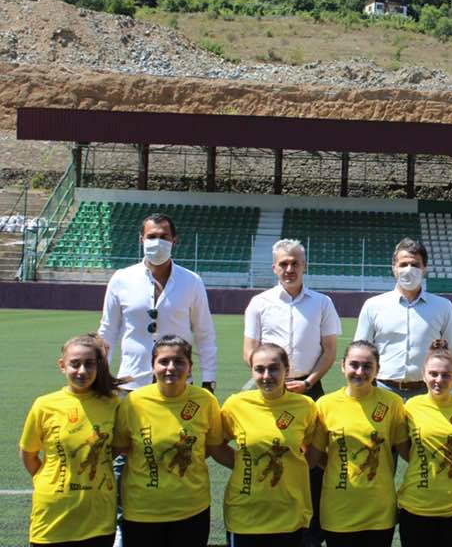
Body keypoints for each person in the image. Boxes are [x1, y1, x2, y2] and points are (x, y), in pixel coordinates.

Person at [242, 238, 340, 547]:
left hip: (309, 389)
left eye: (295, 263)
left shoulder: (322, 303)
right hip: (272, 391)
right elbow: (249, 351)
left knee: (314, 459)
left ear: (304, 266)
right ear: (274, 267)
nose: (289, 269)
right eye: (283, 263)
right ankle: (271, 519)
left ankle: (312, 531)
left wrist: (308, 382)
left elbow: (329, 350)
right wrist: (276, 382)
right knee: (272, 452)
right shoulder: (259, 303)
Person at [112, 336, 223, 547]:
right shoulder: (134, 402)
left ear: (190, 368)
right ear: (152, 367)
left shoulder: (205, 400)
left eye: (179, 361)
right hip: (142, 511)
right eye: (163, 361)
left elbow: (213, 447)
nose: (171, 367)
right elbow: (121, 448)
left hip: (192, 509)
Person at [215, 343, 323, 547]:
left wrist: (295, 469)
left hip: (289, 513)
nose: (266, 376)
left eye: (273, 368)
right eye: (259, 369)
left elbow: (311, 452)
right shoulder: (235, 405)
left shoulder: (305, 406)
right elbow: (216, 445)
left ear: (287, 370)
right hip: (245, 513)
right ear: (252, 371)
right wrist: (243, 464)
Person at [20, 334, 121, 547]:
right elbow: (29, 454)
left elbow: (119, 447)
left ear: (98, 366)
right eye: (75, 364)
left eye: (89, 364)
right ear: (62, 366)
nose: (82, 371)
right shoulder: (44, 405)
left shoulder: (112, 404)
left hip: (98, 516)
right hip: (54, 514)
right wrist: (51, 480)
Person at [98, 213, 217, 392]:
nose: (157, 242)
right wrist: (100, 374)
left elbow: (204, 332)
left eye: (164, 237)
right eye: (152, 236)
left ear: (174, 241)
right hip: (132, 381)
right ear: (142, 240)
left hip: (178, 382)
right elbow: (108, 331)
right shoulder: (121, 279)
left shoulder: (192, 281)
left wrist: (209, 379)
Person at [315, 340, 408, 547]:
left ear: (377, 369)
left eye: (367, 366)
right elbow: (314, 453)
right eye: (354, 364)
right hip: (339, 509)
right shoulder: (325, 405)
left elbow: (406, 451)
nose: (360, 371)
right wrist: (337, 466)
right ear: (343, 365)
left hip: (379, 510)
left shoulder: (392, 403)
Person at [396, 340, 452, 547]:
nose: (439, 380)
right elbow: (404, 448)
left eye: (446, 375)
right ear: (423, 374)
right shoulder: (410, 407)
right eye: (433, 374)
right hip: (417, 505)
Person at [355, 238, 452, 400]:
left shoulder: (443, 306)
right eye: (403, 264)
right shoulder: (373, 306)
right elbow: (360, 351)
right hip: (383, 390)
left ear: (424, 269)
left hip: (426, 392)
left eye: (415, 264)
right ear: (394, 269)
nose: (409, 269)